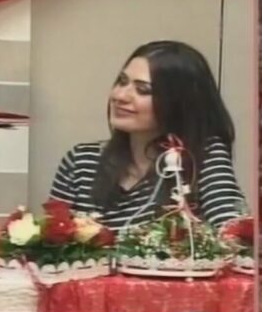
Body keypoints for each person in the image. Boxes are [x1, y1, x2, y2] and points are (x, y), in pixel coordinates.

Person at [49, 40, 246, 231]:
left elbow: (234, 231)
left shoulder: (202, 156)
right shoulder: (81, 161)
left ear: (178, 102)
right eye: (122, 82)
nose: (120, 96)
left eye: (143, 90)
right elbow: (49, 240)